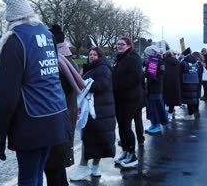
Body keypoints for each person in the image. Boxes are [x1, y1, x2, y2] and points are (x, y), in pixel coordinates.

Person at [0, 0, 71, 186]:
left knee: (27, 177)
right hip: (55, 115)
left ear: (11, 19)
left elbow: (7, 95)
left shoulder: (15, 40)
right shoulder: (46, 34)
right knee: (36, 173)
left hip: (30, 119)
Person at [44, 24, 85, 186]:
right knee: (57, 166)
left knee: (52, 165)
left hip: (59, 120)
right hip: (65, 117)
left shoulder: (57, 64)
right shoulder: (66, 60)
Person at [70, 47, 116, 181]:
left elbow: (102, 85)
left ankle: (85, 166)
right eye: (90, 54)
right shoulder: (94, 67)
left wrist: (86, 84)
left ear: (100, 56)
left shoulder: (102, 68)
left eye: (94, 54)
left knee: (93, 138)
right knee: (95, 138)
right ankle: (94, 166)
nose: (91, 56)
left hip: (99, 109)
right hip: (97, 108)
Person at [112, 36, 143, 168]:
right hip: (119, 97)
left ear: (129, 46)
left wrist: (118, 85)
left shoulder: (133, 59)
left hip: (130, 98)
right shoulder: (120, 58)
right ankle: (125, 151)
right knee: (121, 126)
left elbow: (136, 78)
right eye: (118, 44)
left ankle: (132, 155)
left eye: (122, 44)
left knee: (126, 126)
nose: (119, 46)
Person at [143, 45, 168, 133]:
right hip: (151, 88)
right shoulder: (152, 61)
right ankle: (153, 124)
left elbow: (161, 74)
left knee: (155, 107)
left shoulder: (156, 61)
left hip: (155, 89)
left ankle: (157, 125)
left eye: (147, 53)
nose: (146, 55)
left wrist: (150, 76)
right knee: (151, 107)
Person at [180, 48, 203, 120]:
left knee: (189, 98)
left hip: (186, 82)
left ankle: (191, 115)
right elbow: (199, 72)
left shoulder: (184, 62)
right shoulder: (197, 63)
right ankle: (193, 112)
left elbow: (180, 72)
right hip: (196, 82)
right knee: (193, 97)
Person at [162, 50, 182, 120]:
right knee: (172, 99)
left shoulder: (163, 62)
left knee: (164, 98)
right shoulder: (178, 63)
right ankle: (170, 114)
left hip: (165, 83)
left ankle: (164, 114)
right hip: (175, 83)